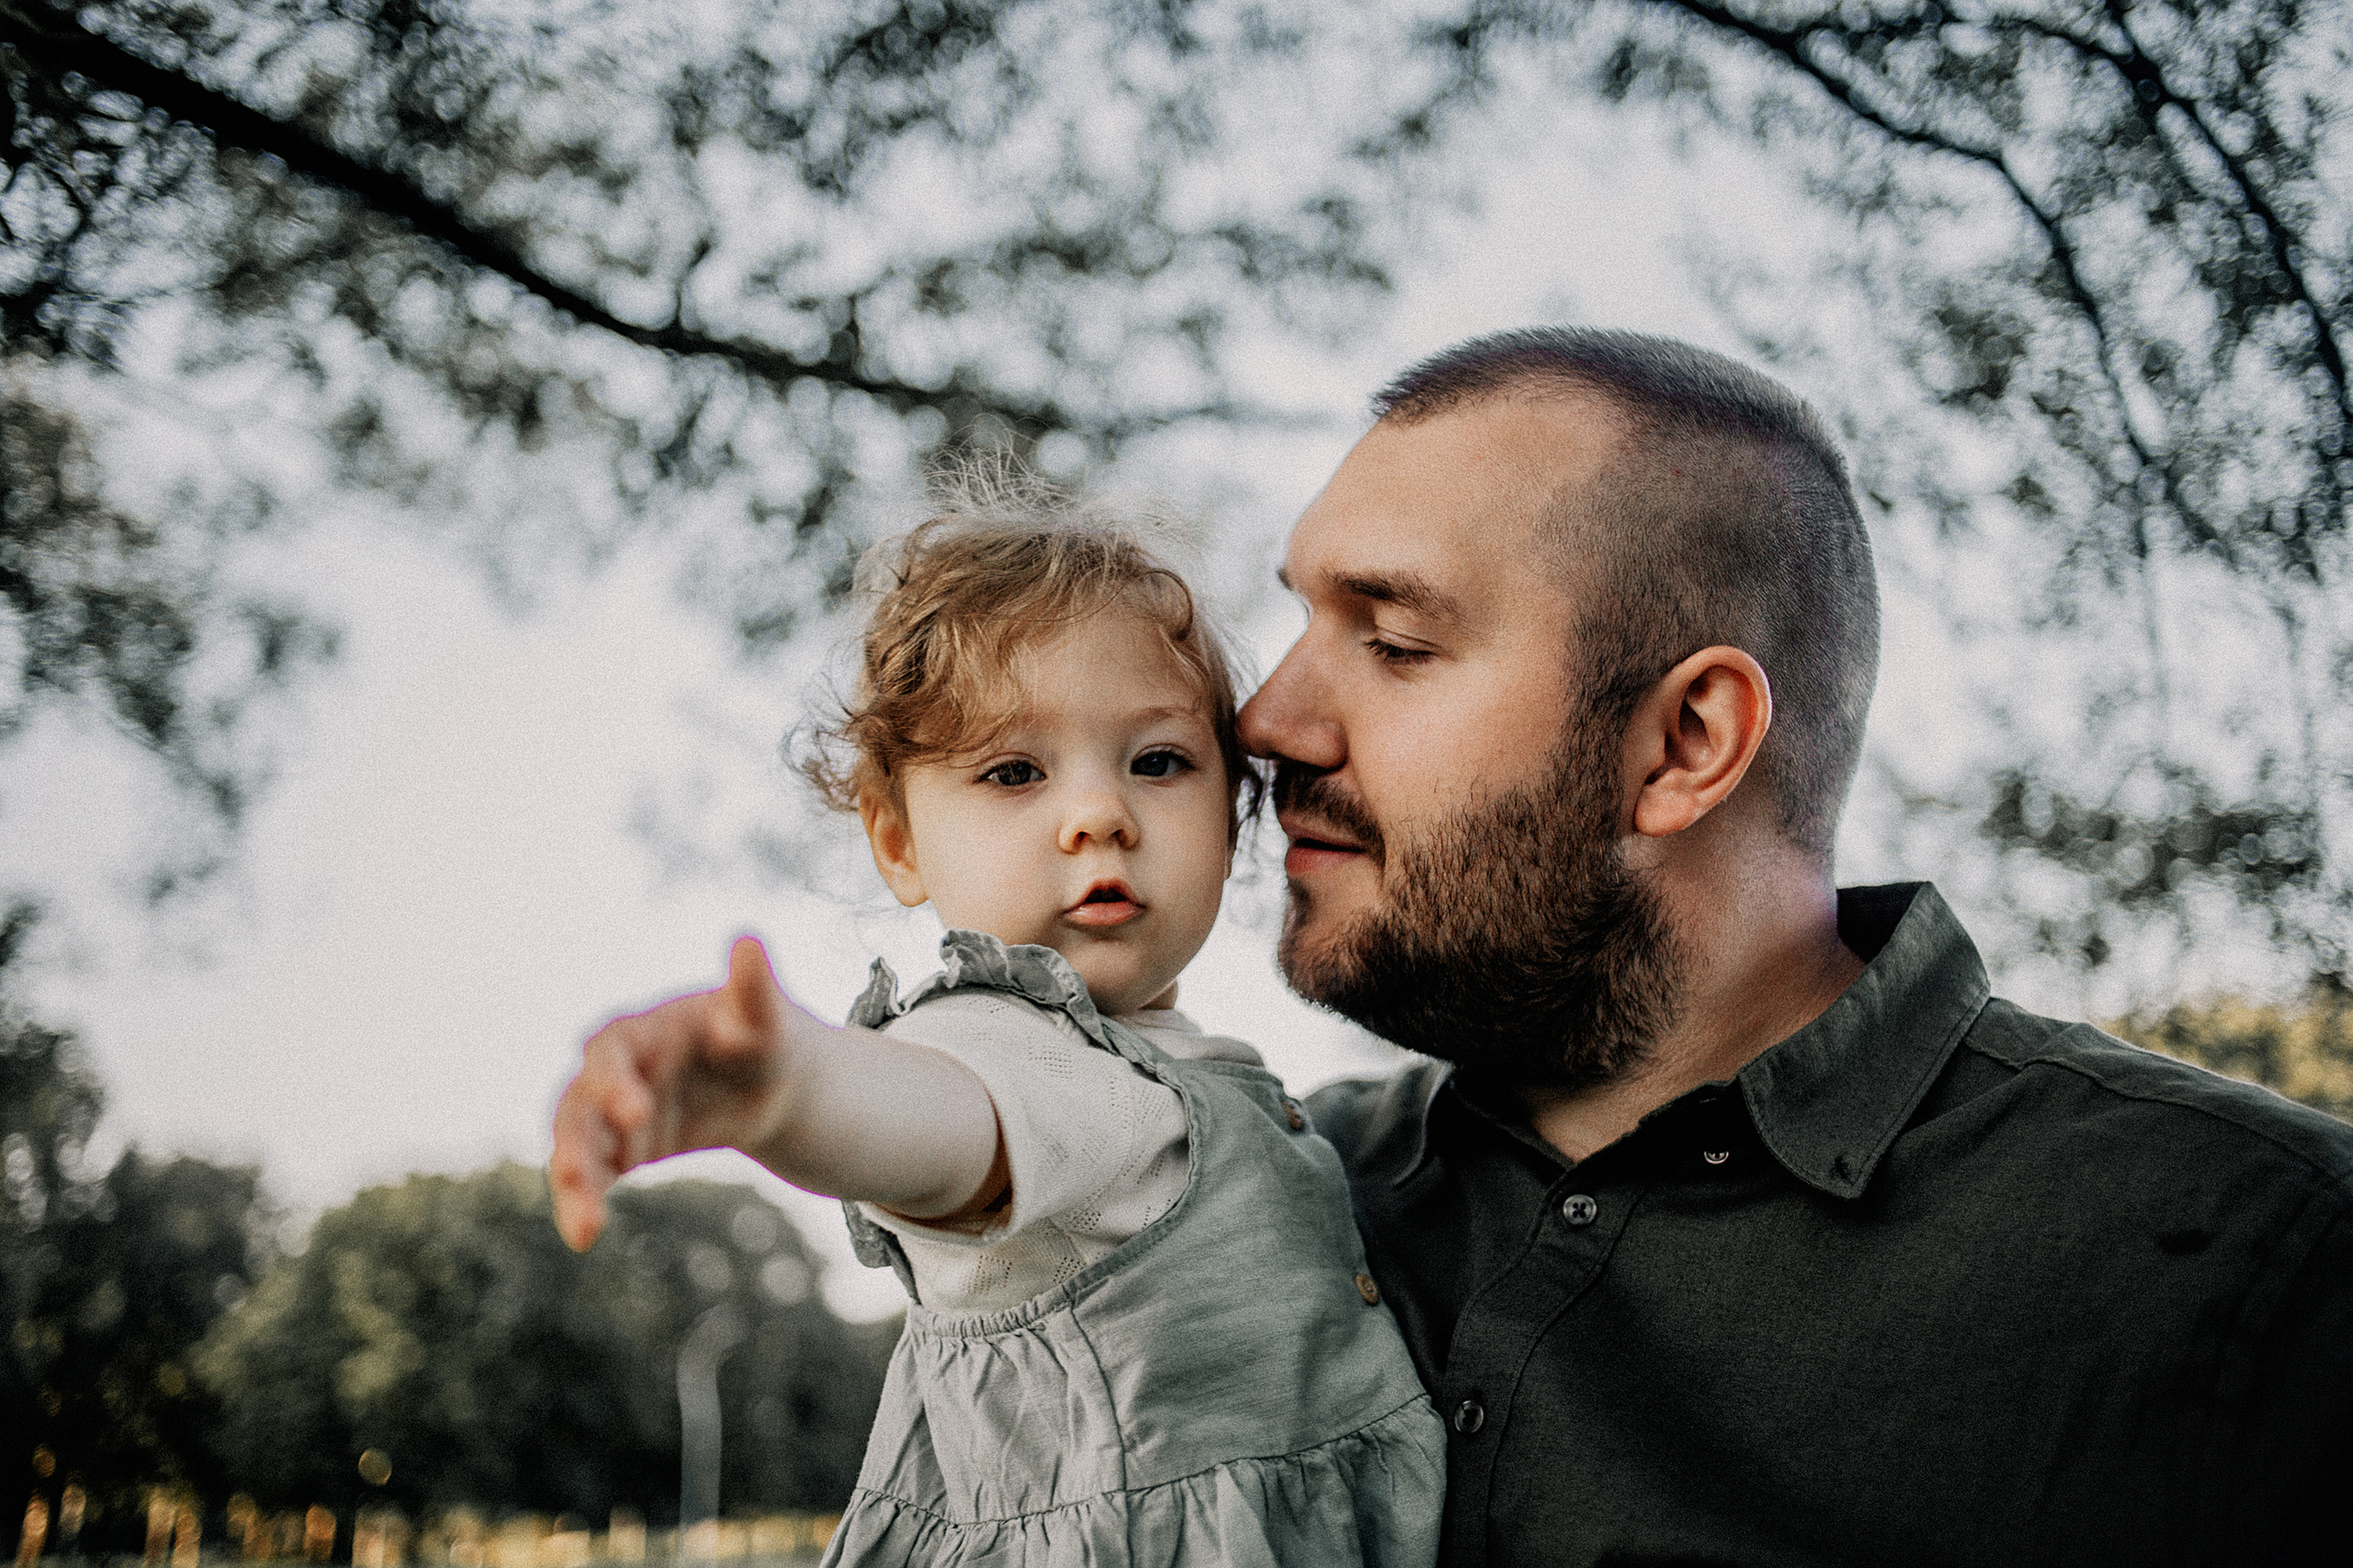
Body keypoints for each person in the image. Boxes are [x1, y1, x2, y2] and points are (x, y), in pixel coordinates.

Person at [1244, 326, 2353, 1566]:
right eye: (1299, 618)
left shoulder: (2263, 1264)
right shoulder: (1264, 1191)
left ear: (1688, 743)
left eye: (1394, 642)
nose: (1267, 718)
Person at [548, 492, 1445, 1567]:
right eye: (1014, 771)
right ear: (897, 840)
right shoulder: (1009, 1042)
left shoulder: (1178, 1070)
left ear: (1231, 811)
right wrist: (791, 1092)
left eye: (1157, 761)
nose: (1098, 813)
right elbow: (945, 1121)